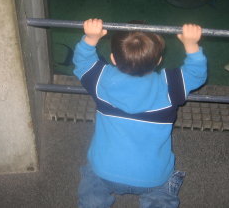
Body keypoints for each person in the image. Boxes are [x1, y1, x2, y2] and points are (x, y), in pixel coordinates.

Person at [73, 18, 207, 208]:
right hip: (152, 178)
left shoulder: (100, 81)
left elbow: (82, 62)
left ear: (112, 58)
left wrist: (90, 38)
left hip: (105, 172)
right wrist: (191, 44)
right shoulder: (171, 87)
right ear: (159, 61)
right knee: (162, 192)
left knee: (92, 183)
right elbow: (196, 73)